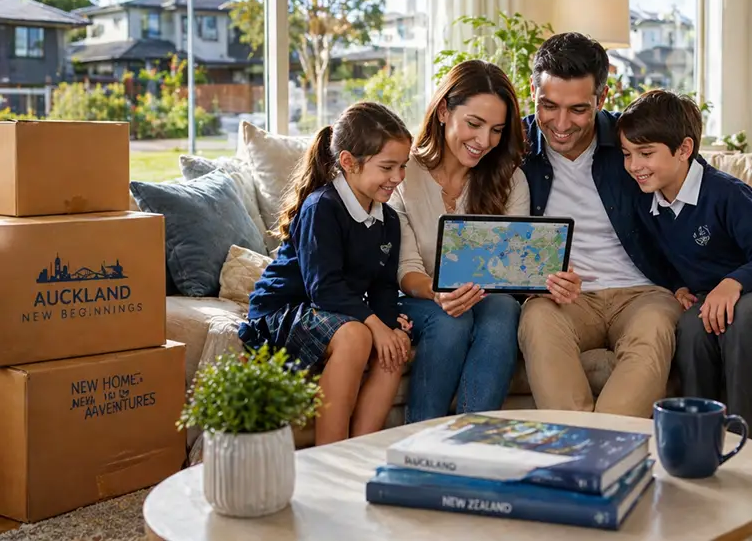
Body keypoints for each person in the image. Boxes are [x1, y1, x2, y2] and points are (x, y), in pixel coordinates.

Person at [390, 59, 582, 423]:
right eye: (474, 124)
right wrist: (437, 292)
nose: (484, 142)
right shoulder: (405, 174)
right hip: (416, 296)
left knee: (503, 308)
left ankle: (474, 435)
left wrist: (549, 280)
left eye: (496, 130)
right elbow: (406, 268)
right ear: (444, 111)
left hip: (487, 299)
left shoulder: (510, 180)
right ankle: (417, 438)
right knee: (451, 321)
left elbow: (513, 269)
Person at [618, 90, 752, 442]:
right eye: (627, 154)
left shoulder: (727, 194)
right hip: (717, 294)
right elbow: (656, 256)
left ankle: (745, 442)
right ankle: (701, 438)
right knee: (693, 327)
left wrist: (733, 283)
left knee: (742, 319)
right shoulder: (647, 202)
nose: (634, 165)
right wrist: (677, 284)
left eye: (646, 153)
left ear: (684, 149)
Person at [518, 32, 683, 418]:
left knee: (656, 327)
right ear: (533, 90)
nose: (560, 124)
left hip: (642, 292)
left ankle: (600, 447)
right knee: (537, 318)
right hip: (564, 299)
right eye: (548, 105)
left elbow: (709, 195)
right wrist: (539, 274)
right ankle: (578, 446)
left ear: (602, 98)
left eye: (577, 109)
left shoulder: (636, 140)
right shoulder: (513, 146)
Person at [238, 101, 413, 445]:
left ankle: (358, 450)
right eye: (388, 167)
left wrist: (389, 324)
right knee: (356, 335)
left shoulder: (388, 220)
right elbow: (325, 288)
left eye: (403, 167)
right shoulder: (322, 207)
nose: (398, 178)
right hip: (283, 310)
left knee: (397, 343)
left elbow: (382, 286)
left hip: (330, 311)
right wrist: (373, 325)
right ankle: (330, 454)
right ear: (348, 162)